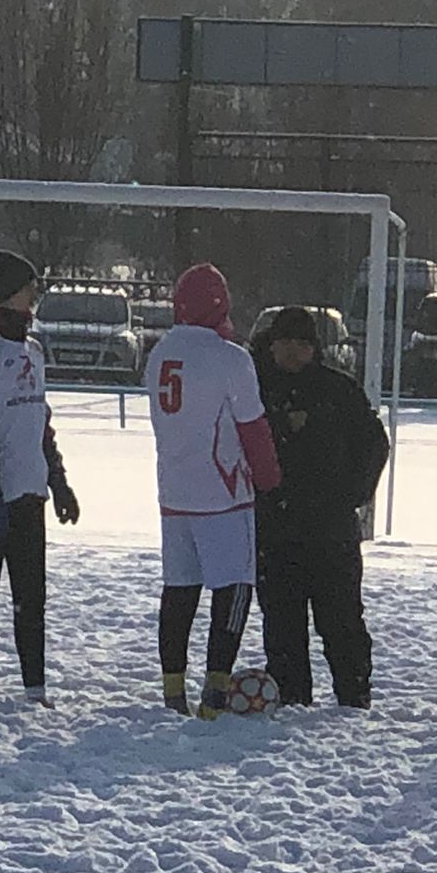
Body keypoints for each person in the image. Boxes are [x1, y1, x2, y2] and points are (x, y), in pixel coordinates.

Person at [147, 263, 281, 719]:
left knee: (179, 590)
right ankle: (215, 692)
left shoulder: (159, 353)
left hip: (174, 491)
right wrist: (269, 481)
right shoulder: (231, 358)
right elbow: (253, 428)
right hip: (223, 494)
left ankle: (172, 690)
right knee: (234, 588)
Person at [0, 250, 80, 709]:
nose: (35, 295)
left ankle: (35, 687)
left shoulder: (33, 350)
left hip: (29, 491)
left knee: (31, 596)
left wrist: (58, 481)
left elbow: (39, 421)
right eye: (29, 286)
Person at [252, 306, 389, 709]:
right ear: (271, 345)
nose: (293, 352)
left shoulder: (339, 391)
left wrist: (355, 494)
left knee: (343, 620)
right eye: (285, 343)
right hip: (275, 529)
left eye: (302, 344)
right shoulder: (253, 390)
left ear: (315, 348)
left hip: (331, 530)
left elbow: (375, 446)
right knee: (282, 622)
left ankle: (354, 693)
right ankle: (291, 695)